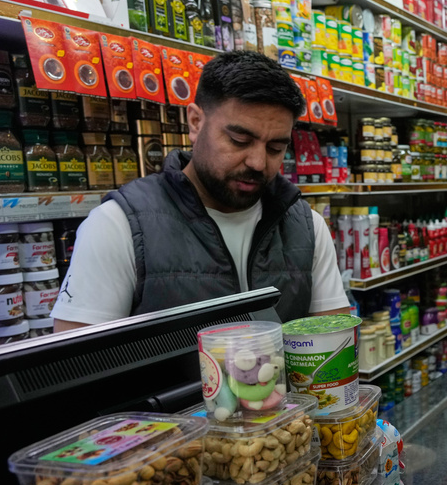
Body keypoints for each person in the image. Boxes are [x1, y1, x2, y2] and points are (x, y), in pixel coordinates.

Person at [52, 51, 348, 329]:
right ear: (195, 122)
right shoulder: (117, 226)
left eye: (275, 148)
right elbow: (75, 372)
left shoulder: (306, 226)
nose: (258, 162)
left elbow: (334, 349)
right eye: (238, 140)